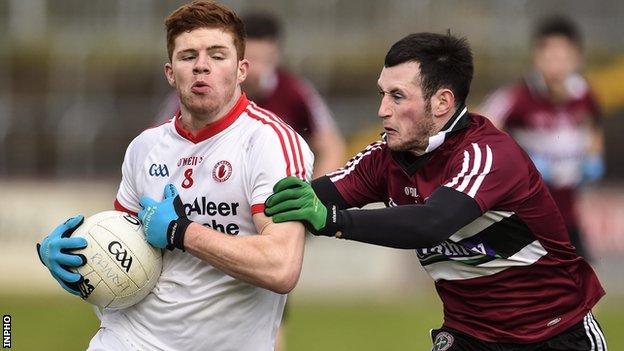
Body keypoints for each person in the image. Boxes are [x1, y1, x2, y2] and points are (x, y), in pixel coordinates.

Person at [264, 32, 608, 350]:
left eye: (397, 96)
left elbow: (433, 222)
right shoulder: (383, 159)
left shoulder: (487, 154)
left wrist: (334, 221)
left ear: (442, 102)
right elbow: (308, 198)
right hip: (469, 336)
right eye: (382, 94)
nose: (382, 109)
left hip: (556, 333)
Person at [36, 1, 313, 350]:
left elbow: (281, 267)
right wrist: (73, 256)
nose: (201, 66)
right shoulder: (144, 147)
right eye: (187, 57)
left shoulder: (270, 143)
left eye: (217, 55)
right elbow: (125, 250)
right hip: (127, 339)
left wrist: (181, 232)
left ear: (242, 69)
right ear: (170, 72)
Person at [155, 11, 346, 179]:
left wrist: (311, 199)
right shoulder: (197, 92)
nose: (257, 71)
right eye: (252, 59)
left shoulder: (296, 92)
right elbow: (158, 147)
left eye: (266, 60)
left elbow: (332, 148)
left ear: (277, 56)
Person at [478, 16, 605, 260]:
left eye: (563, 57)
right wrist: (521, 162)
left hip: (567, 215)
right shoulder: (517, 97)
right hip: (523, 216)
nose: (556, 66)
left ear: (576, 58)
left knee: (582, 288)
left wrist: (593, 158)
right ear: (537, 58)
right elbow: (480, 131)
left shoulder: (585, 95)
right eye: (550, 57)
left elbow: (594, 127)